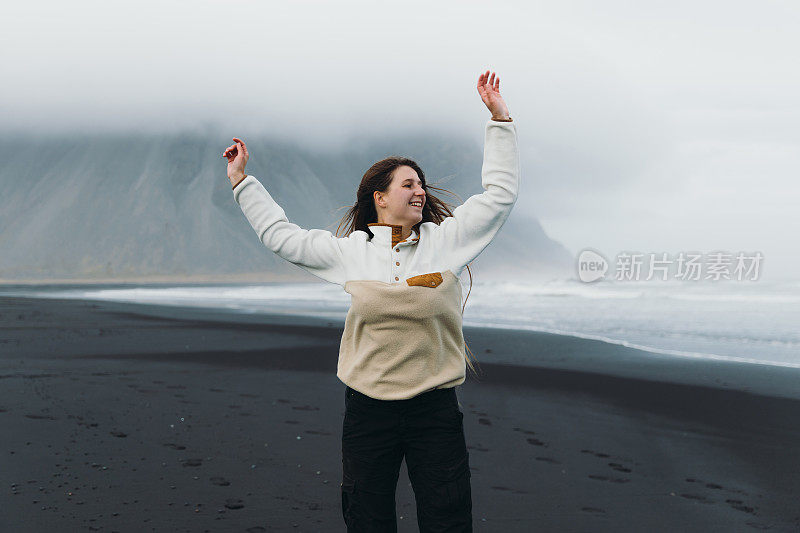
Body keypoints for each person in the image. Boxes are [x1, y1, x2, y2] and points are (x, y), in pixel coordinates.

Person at [223, 70, 519, 532]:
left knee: (448, 518)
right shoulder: (351, 254)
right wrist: (243, 182)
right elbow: (283, 237)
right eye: (408, 185)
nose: (420, 191)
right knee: (367, 518)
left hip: (434, 409)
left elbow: (499, 196)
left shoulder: (447, 244)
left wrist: (500, 120)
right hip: (368, 409)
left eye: (421, 185)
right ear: (380, 198)